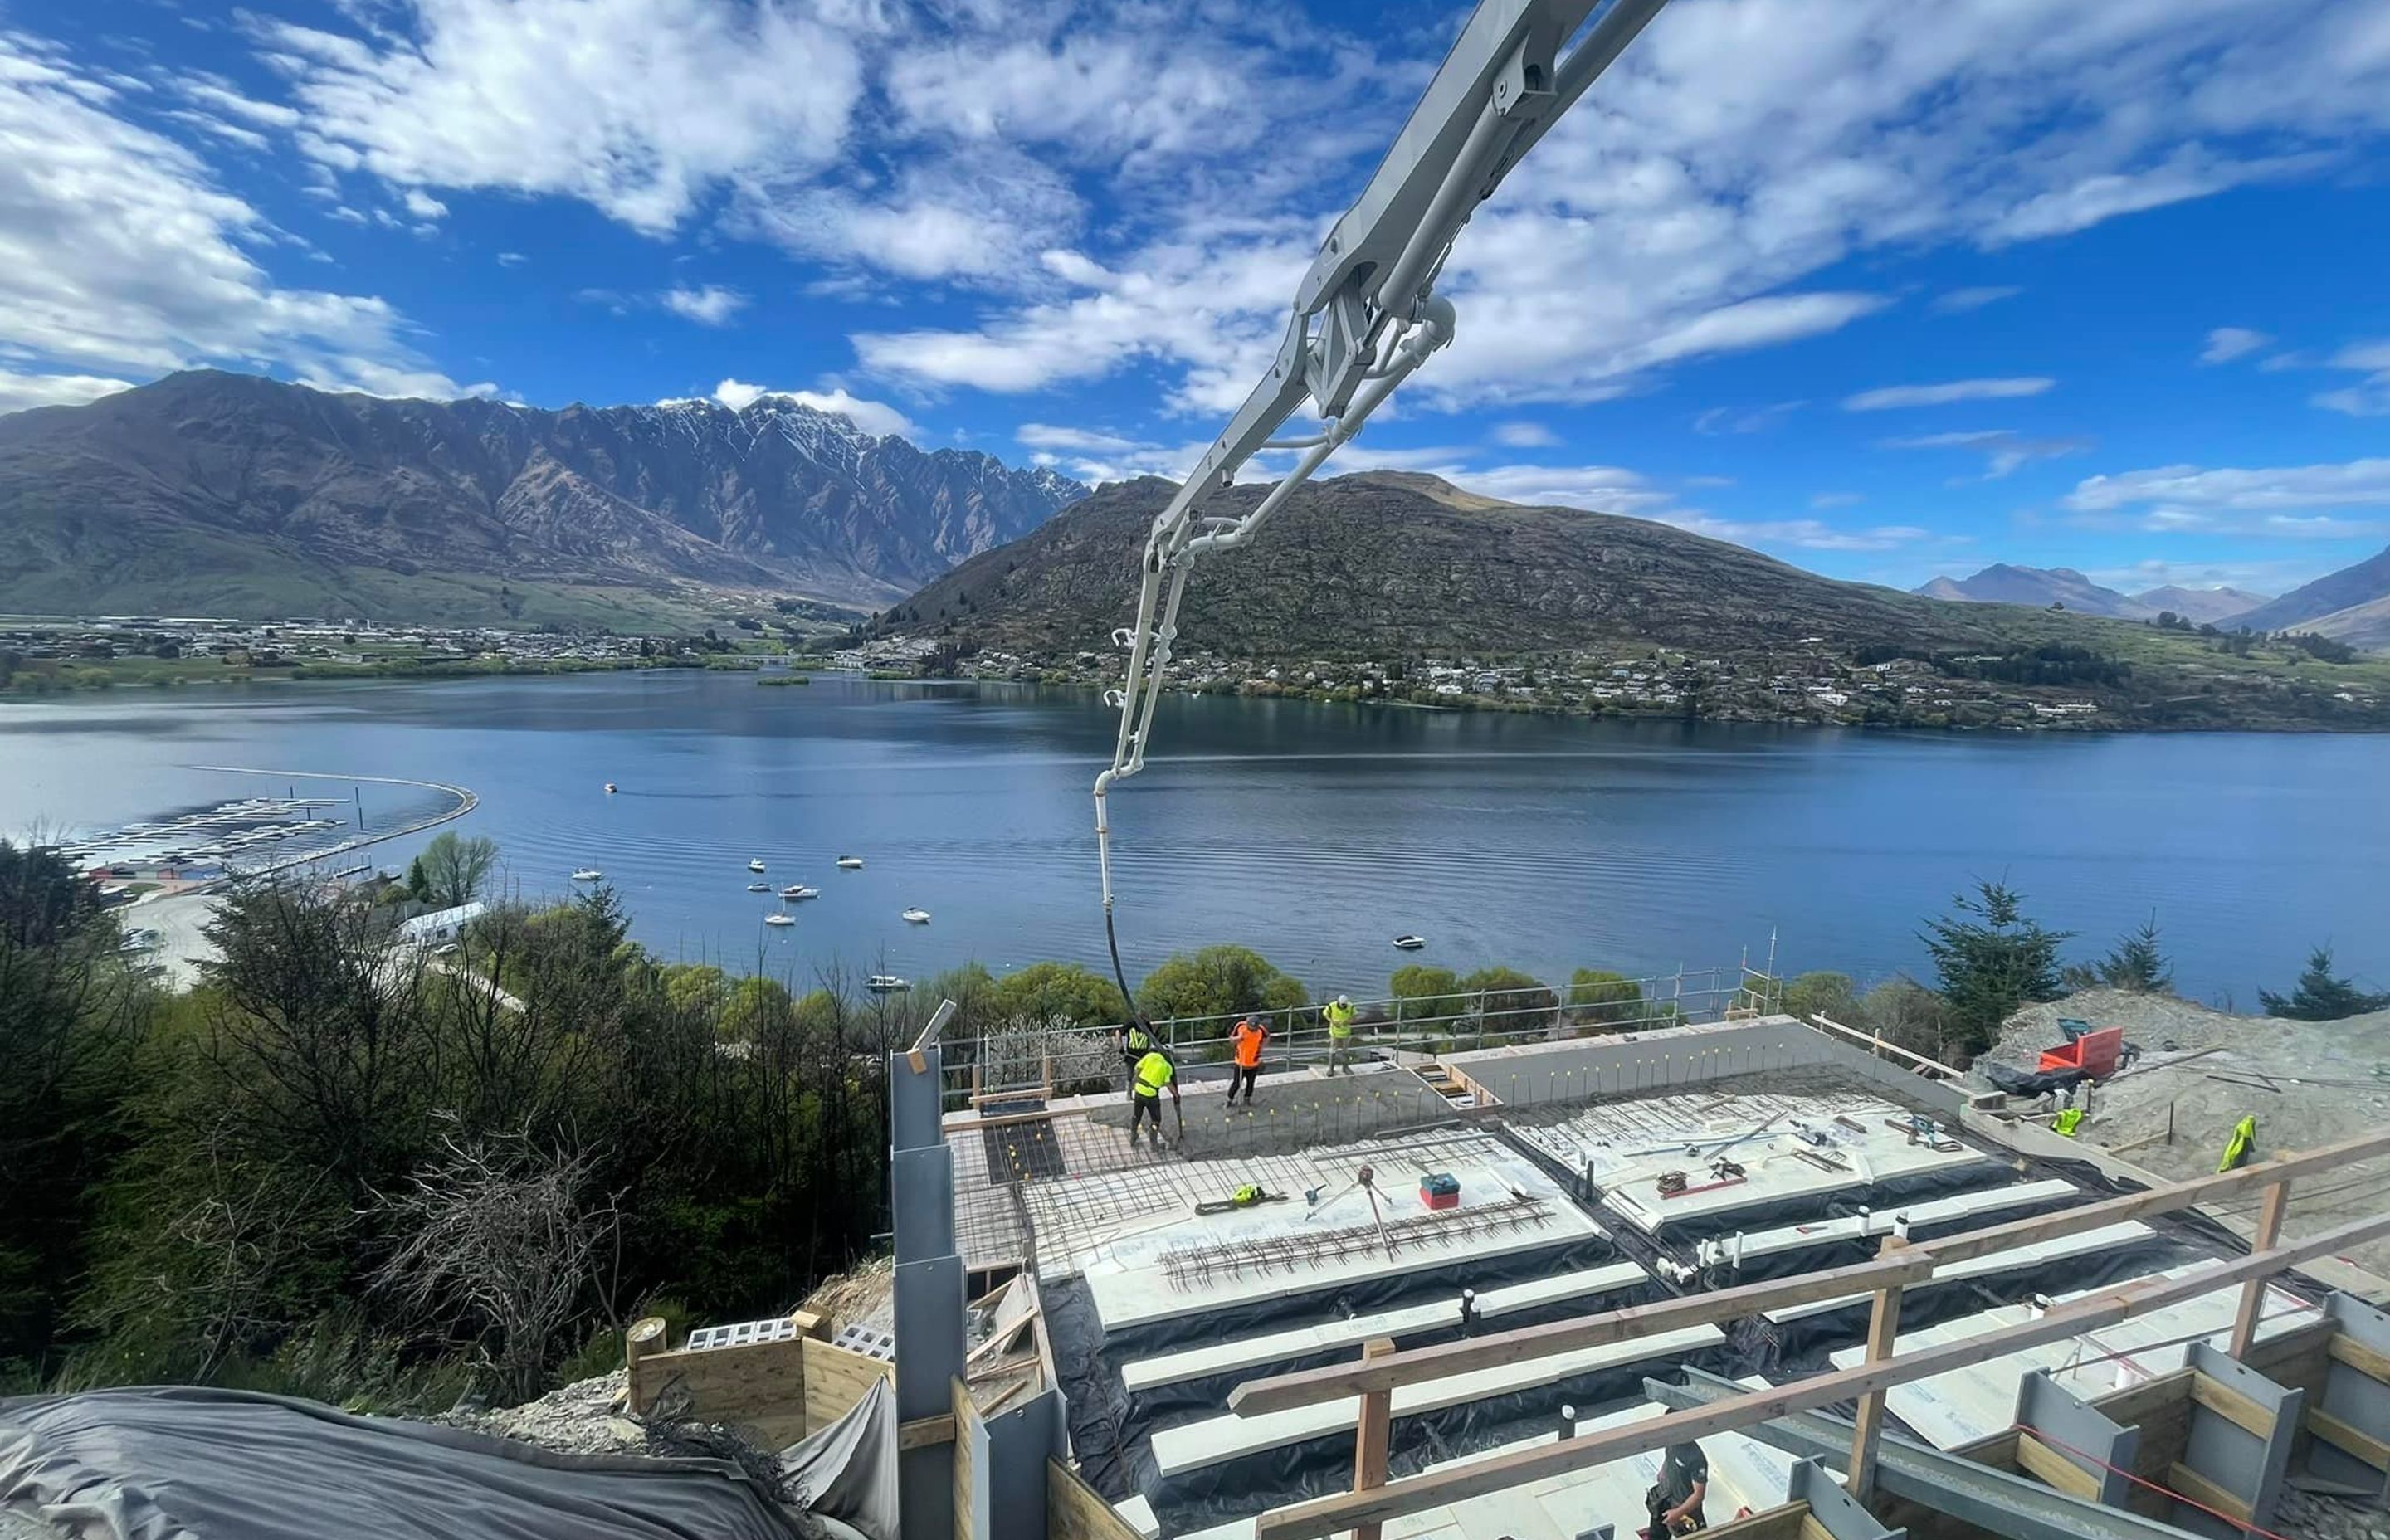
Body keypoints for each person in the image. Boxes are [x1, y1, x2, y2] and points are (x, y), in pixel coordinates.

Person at [1645, 1440, 1709, 1537]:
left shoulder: (1696, 1458)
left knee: (1696, 1537)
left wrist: (1678, 1513)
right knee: (1657, 1534)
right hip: (1664, 1497)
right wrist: (1663, 1471)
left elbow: (1698, 1495)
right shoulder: (1672, 1440)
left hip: (1684, 1506)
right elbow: (1669, 1456)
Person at [1129, 1048, 1179, 1148]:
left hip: (1139, 1090)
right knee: (1156, 1119)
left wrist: (1135, 1082)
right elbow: (1168, 1083)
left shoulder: (1150, 1056)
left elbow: (1137, 1068)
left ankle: (1133, 1137)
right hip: (1151, 1095)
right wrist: (1176, 1094)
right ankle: (1153, 1144)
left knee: (1136, 1115)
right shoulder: (1167, 1066)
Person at [1229, 1016, 1268, 1104]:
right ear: (1247, 1023)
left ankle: (1247, 1099)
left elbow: (1267, 1036)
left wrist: (1262, 1047)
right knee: (1236, 1083)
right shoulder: (1240, 1026)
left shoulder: (1261, 1030)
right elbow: (1231, 1039)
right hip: (1240, 1062)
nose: (1253, 1030)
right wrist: (1238, 1039)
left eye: (1255, 1028)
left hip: (1253, 1062)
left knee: (1251, 1083)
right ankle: (1229, 1099)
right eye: (1251, 1027)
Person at [1324, 995, 1357, 1075]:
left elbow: (1355, 1016)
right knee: (1332, 1051)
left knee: (1345, 1051)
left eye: (1344, 1005)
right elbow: (1325, 1014)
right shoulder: (1332, 1006)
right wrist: (1332, 1021)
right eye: (1342, 1005)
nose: (1343, 1006)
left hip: (1345, 1033)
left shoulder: (1351, 1007)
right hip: (1334, 1032)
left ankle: (1345, 1068)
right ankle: (1331, 1069)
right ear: (1338, 1002)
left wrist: (1349, 1021)